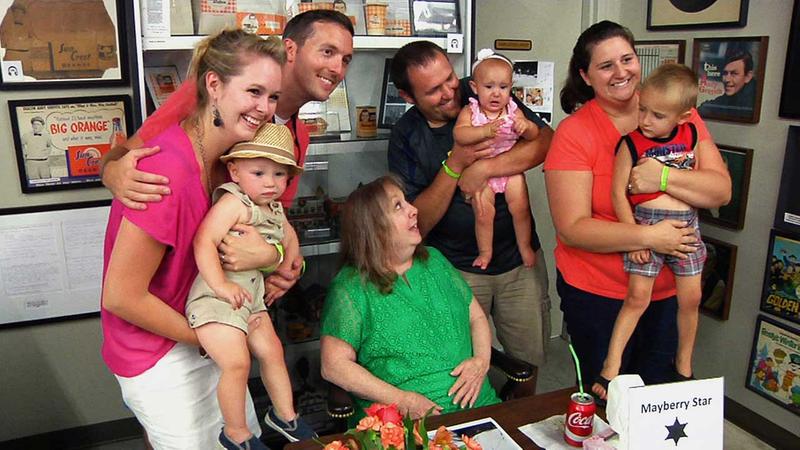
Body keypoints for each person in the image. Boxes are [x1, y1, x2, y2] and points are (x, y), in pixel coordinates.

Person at [101, 29, 286, 449]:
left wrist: (272, 255)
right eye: (254, 91)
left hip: (208, 328)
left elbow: (273, 236)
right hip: (160, 348)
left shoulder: (235, 161)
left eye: (272, 96)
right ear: (214, 85)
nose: (265, 108)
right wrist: (210, 334)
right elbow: (121, 296)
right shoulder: (168, 171)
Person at [100, 9, 354, 303]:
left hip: (236, 295)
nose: (337, 68)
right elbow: (132, 151)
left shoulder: (299, 136)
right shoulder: (209, 99)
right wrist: (111, 172)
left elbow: (272, 216)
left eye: (346, 59)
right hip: (183, 295)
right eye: (327, 52)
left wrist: (279, 257)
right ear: (290, 49)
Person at [544, 21, 730, 400]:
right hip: (599, 294)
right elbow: (573, 228)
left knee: (659, 401)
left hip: (667, 292)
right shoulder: (575, 133)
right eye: (606, 65)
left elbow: (720, 191)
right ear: (586, 76)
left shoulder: (681, 114)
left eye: (627, 59)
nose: (621, 72)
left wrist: (661, 178)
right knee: (605, 404)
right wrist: (649, 237)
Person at [387, 40, 553, 379]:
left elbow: (545, 142)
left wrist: (486, 169)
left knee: (527, 366)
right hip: (454, 270)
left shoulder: (483, 89)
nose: (450, 91)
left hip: (519, 264)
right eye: (434, 90)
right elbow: (419, 222)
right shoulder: (406, 136)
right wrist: (456, 166)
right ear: (408, 97)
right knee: (459, 370)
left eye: (449, 78)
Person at [320, 175, 500, 421]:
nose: (414, 210)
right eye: (398, 206)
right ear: (374, 227)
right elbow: (334, 366)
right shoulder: (351, 287)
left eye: (407, 202)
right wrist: (402, 400)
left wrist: (481, 361)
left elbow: (477, 317)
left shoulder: (435, 260)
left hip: (479, 404)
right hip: (404, 420)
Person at [187, 123, 315, 447]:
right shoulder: (234, 203)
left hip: (252, 300)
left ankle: (285, 415)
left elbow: (289, 238)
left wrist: (287, 267)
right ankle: (235, 432)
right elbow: (203, 241)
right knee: (238, 362)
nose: (270, 183)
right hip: (218, 299)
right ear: (234, 171)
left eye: (279, 175)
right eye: (259, 173)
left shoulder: (272, 209)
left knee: (273, 350)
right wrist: (220, 286)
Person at [593, 63, 708, 400]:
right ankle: (611, 365)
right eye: (642, 109)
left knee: (691, 299)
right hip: (646, 222)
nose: (645, 120)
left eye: (657, 115)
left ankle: (683, 365)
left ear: (684, 117)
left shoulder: (693, 136)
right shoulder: (630, 143)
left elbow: (706, 183)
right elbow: (618, 193)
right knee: (637, 298)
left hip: (687, 226)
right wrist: (634, 237)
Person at [453, 49, 539, 270]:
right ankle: (486, 252)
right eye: (488, 87)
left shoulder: (512, 110)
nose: (496, 94)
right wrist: (483, 131)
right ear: (474, 88)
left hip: (510, 170)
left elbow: (533, 136)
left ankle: (524, 246)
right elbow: (460, 134)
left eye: (503, 87)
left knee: (520, 208)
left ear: (511, 88)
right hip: (482, 175)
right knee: (483, 212)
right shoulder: (471, 111)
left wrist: (526, 126)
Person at [697, 48, 756, 119]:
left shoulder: (751, 103)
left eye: (734, 73)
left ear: (748, 76)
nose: (727, 79)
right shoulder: (729, 98)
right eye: (725, 73)